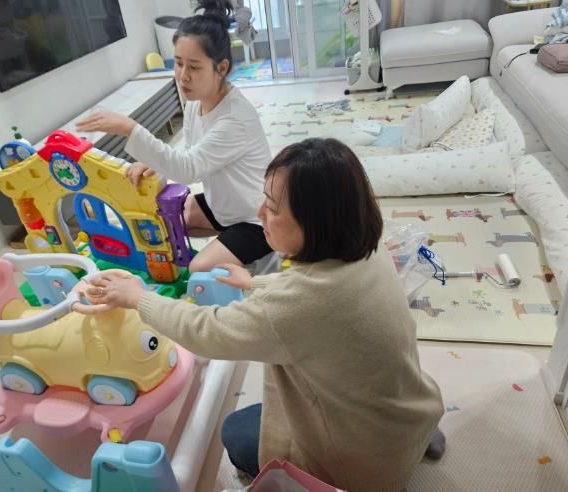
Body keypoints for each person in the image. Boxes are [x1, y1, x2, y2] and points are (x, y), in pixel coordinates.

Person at [85, 138, 445, 492]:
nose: (259, 214)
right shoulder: (368, 248)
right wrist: (254, 283)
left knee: (236, 432)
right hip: (411, 416)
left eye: (271, 208)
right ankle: (410, 447)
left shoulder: (298, 305)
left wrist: (139, 298)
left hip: (362, 470)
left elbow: (207, 330)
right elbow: (317, 296)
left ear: (314, 223)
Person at [76, 0, 272, 273]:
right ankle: (227, 244)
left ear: (222, 67)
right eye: (178, 64)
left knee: (198, 268)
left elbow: (187, 169)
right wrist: (155, 163)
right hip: (223, 208)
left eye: (194, 67)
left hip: (255, 218)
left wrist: (130, 129)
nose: (183, 76)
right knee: (159, 221)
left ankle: (257, 256)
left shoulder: (235, 118)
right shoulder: (195, 102)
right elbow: (190, 153)